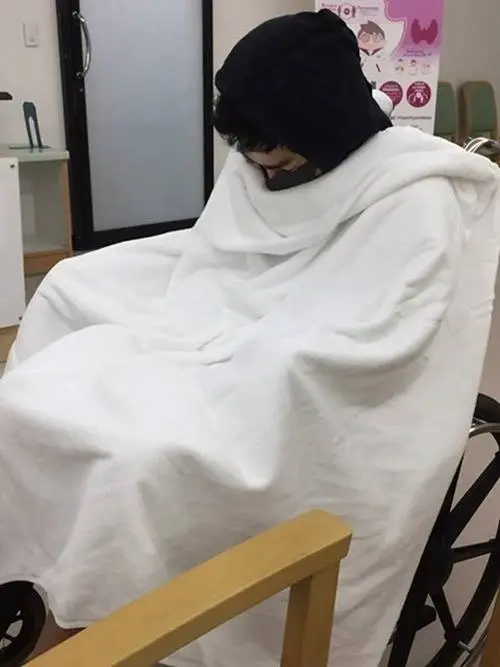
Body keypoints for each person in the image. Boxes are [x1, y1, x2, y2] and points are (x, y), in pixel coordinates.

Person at [0, 10, 499, 667]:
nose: (264, 171)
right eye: (254, 157)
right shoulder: (261, 154)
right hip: (233, 302)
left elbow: (384, 328)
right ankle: (47, 552)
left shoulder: (415, 193)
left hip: (309, 339)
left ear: (324, 129)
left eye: (278, 159)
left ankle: (123, 597)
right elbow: (222, 248)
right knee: (70, 291)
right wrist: (207, 324)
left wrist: (246, 349)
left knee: (141, 462)